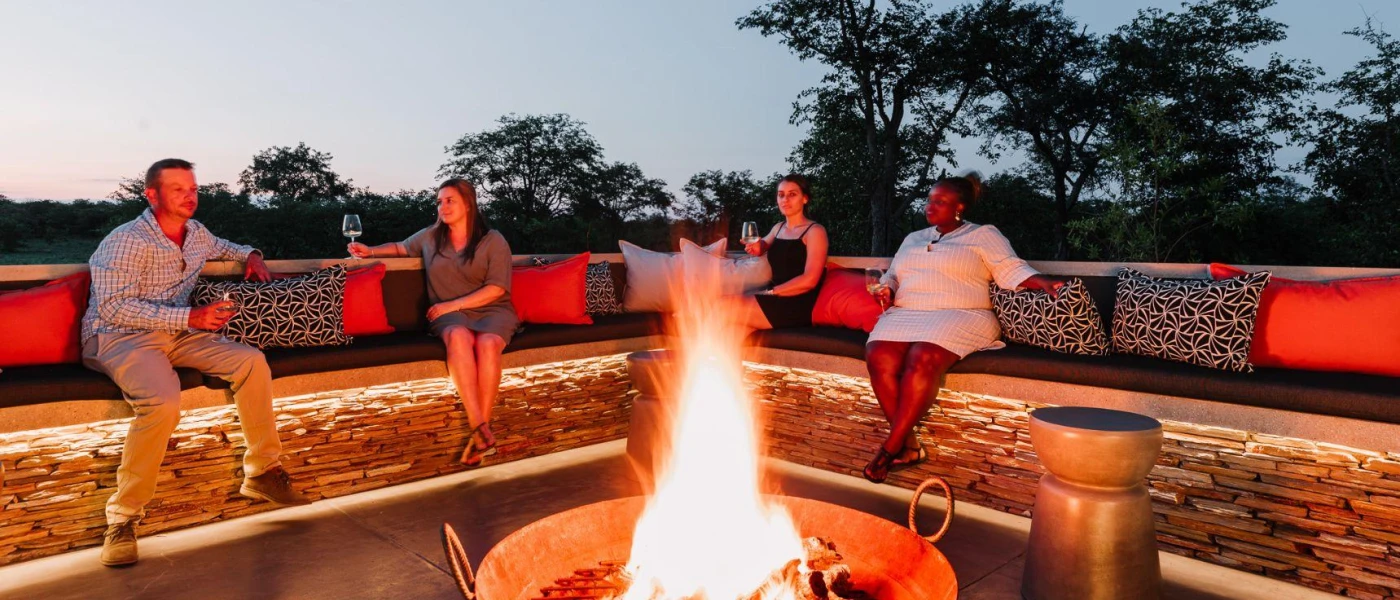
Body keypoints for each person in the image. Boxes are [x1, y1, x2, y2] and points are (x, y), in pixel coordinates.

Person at [82, 158, 311, 567]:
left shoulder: (195, 234)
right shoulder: (126, 240)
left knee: (251, 361)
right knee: (163, 402)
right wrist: (190, 317)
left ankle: (262, 471)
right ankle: (122, 518)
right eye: (178, 189)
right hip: (118, 337)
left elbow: (227, 246)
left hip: (177, 332)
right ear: (152, 195)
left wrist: (252, 255)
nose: (190, 196)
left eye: (193, 188)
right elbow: (114, 308)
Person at [862, 173, 1064, 483]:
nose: (931, 206)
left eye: (940, 202)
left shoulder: (983, 235)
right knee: (878, 355)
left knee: (923, 358)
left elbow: (1009, 267)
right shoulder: (913, 238)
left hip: (962, 313)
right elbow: (893, 275)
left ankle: (889, 449)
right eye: (929, 200)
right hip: (909, 312)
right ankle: (910, 445)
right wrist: (886, 288)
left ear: (959, 207)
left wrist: (1042, 281)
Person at [348, 179, 518, 467]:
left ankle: (479, 433)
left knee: (488, 343)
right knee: (459, 336)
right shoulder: (431, 237)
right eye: (439, 202)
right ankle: (480, 429)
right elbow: (401, 248)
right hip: (450, 316)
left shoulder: (493, 240)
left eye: (449, 200)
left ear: (468, 203)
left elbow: (497, 288)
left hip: (491, 309)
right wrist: (370, 251)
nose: (443, 206)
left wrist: (450, 304)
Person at [741, 174, 829, 330]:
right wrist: (756, 247)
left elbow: (810, 280)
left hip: (797, 303)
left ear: (805, 198)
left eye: (792, 194)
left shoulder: (815, 231)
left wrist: (769, 293)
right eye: (781, 195)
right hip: (775, 297)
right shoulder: (778, 228)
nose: (785, 200)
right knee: (725, 315)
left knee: (722, 307)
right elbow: (762, 246)